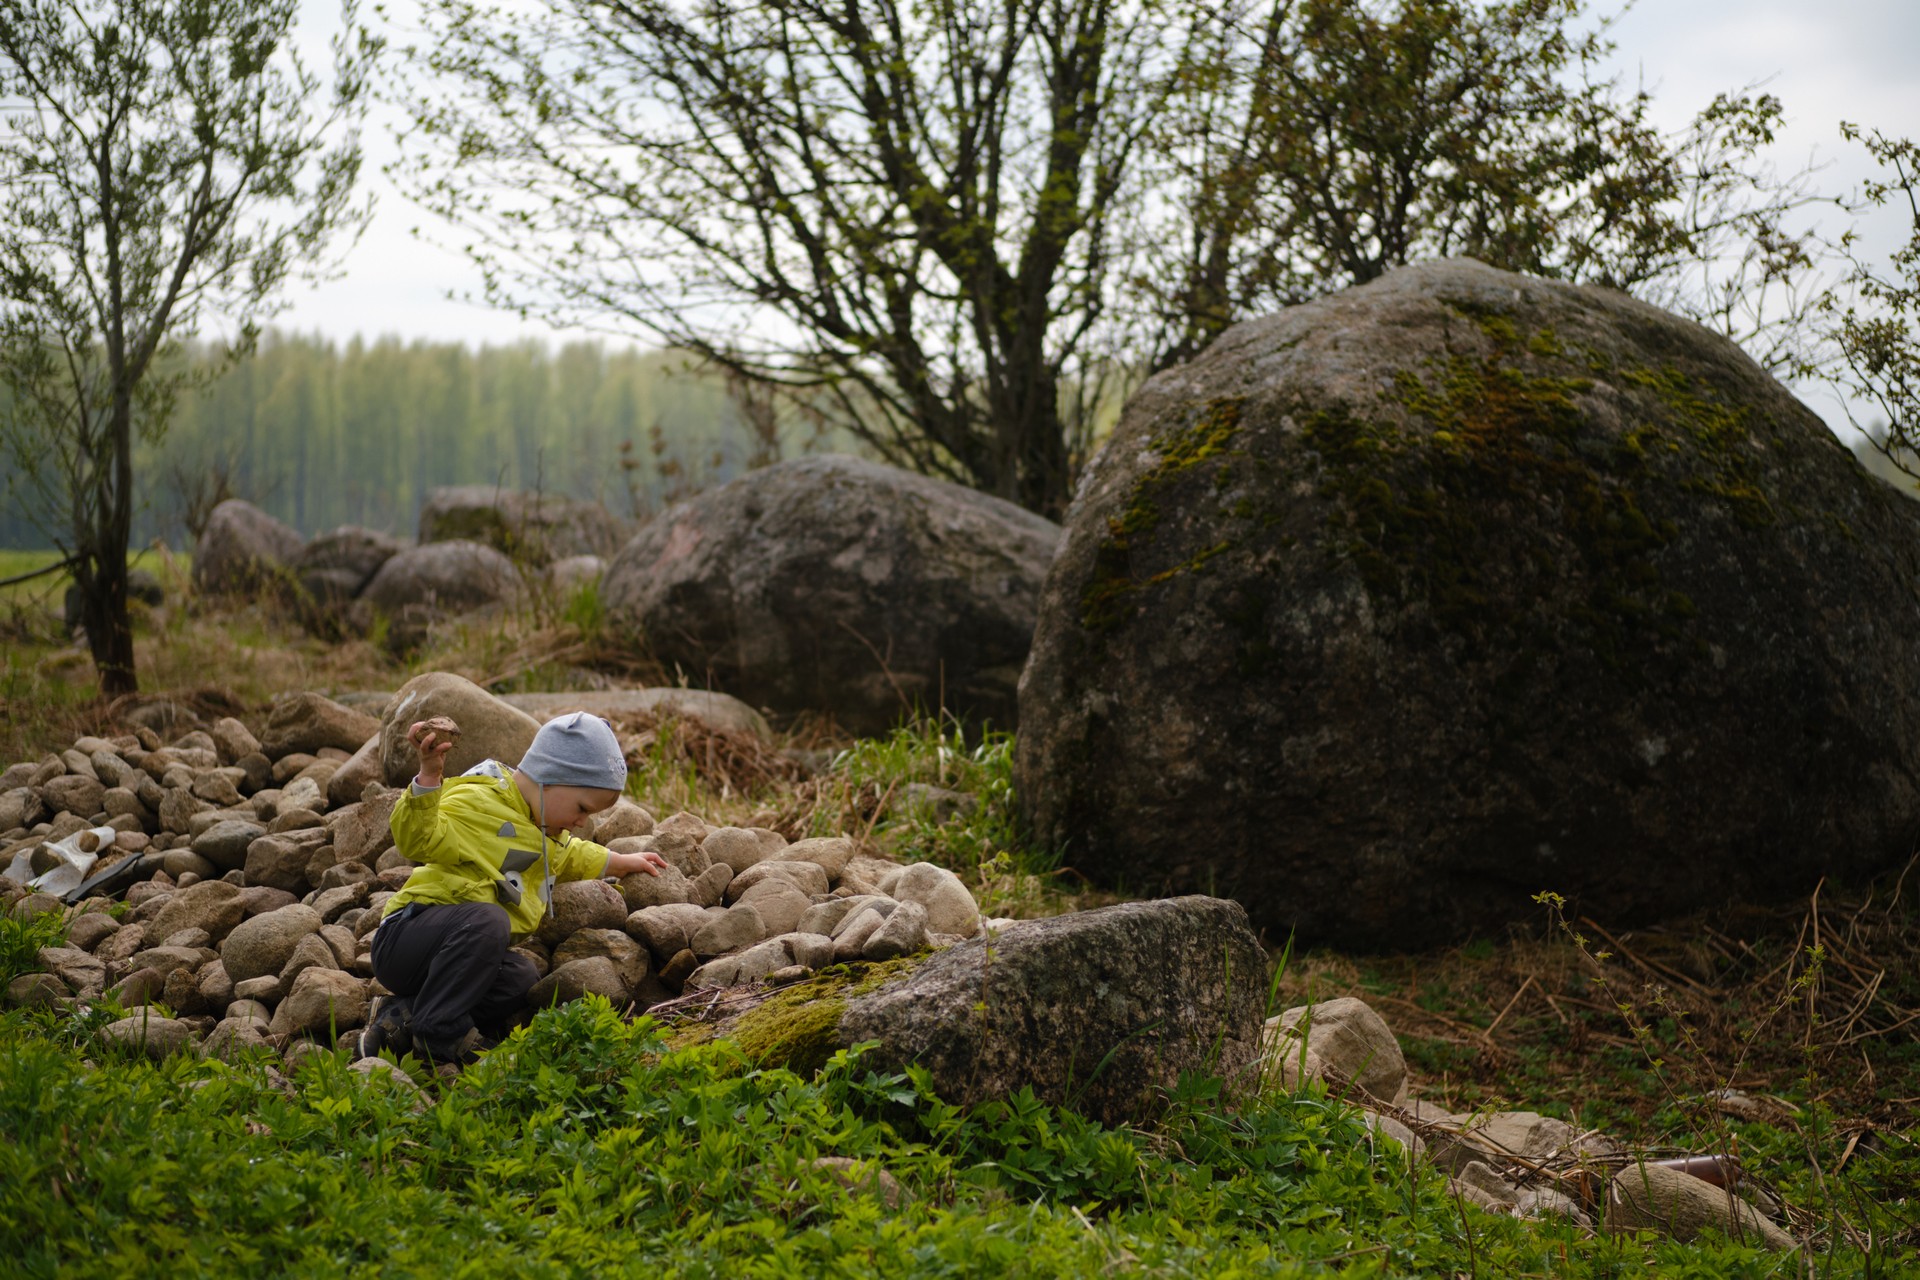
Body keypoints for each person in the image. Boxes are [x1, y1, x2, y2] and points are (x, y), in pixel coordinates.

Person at [360, 710, 668, 1064]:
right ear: (549, 777)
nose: (582, 822)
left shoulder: (542, 829)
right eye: (582, 808)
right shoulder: (478, 802)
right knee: (489, 921)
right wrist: (429, 777)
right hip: (406, 938)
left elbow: (570, 857)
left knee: (520, 979)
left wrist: (620, 861)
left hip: (454, 953)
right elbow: (418, 840)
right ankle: (440, 1034)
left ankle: (404, 1014)